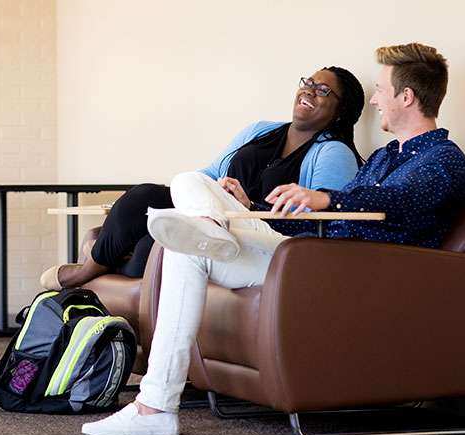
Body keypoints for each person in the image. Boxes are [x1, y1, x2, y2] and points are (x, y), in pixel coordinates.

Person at [81, 42, 465, 435]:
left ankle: (213, 234)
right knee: (188, 207)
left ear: (407, 96)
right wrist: (252, 206)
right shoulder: (385, 157)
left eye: (382, 90)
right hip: (308, 256)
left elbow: (399, 201)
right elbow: (323, 218)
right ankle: (154, 406)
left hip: (346, 271)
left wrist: (328, 198)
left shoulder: (441, 159)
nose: (374, 101)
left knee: (193, 235)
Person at [39, 66, 366, 290]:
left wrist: (249, 205)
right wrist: (205, 190)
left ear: (340, 110)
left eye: (323, 90)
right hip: (211, 212)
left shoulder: (333, 153)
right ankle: (103, 253)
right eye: (307, 83)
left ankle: (90, 265)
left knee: (148, 251)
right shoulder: (261, 131)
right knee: (144, 198)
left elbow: (320, 219)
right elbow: (208, 174)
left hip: (251, 229)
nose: (309, 91)